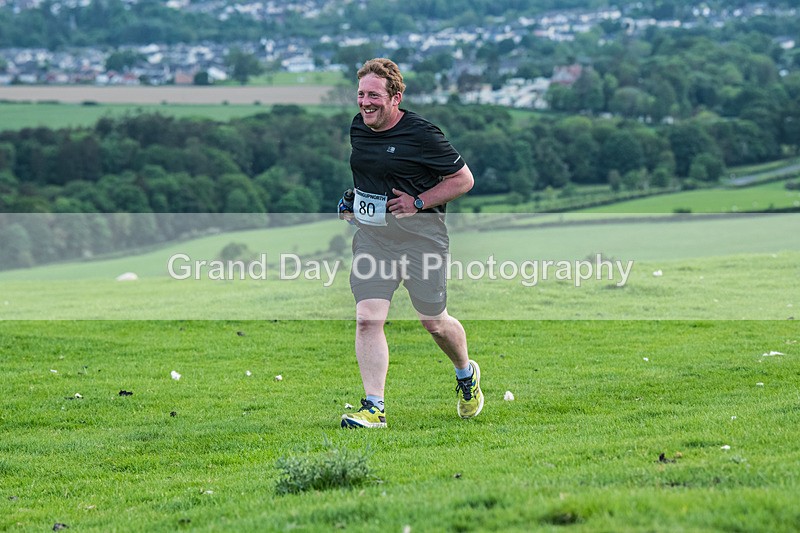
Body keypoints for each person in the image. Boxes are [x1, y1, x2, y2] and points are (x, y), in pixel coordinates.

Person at [339, 58, 483, 429]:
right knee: (367, 319)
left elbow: (463, 180)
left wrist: (417, 202)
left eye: (374, 95)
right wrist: (353, 202)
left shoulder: (422, 134)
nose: (365, 102)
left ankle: (466, 374)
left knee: (434, 321)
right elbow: (373, 177)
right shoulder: (359, 128)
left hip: (422, 240)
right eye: (361, 94)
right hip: (374, 240)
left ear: (395, 98)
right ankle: (374, 408)